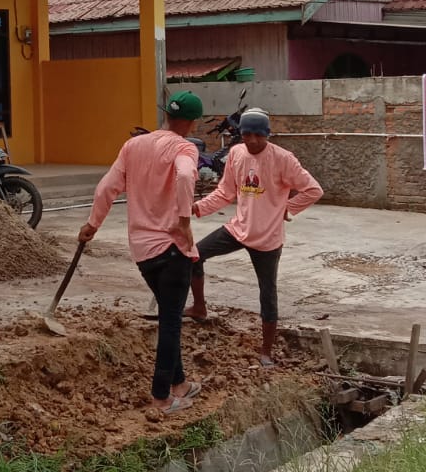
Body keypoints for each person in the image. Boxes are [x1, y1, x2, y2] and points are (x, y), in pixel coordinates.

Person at [80, 91, 204, 413]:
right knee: (170, 323)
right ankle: (161, 397)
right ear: (192, 123)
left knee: (169, 315)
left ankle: (180, 384)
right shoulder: (184, 148)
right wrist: (184, 220)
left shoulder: (133, 146)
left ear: (166, 115)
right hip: (172, 249)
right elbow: (186, 175)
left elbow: (106, 187)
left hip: (143, 252)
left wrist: (93, 224)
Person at [192, 110, 322, 367]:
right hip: (238, 228)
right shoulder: (237, 154)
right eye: (247, 134)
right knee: (194, 255)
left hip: (267, 238)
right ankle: (198, 308)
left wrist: (288, 209)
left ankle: (266, 351)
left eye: (258, 135)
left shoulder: (283, 159)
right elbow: (225, 192)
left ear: (267, 135)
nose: (252, 140)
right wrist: (198, 207)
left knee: (267, 293)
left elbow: (313, 189)